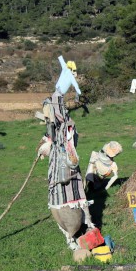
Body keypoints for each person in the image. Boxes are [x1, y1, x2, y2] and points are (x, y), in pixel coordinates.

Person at [40, 56, 95, 250]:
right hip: (60, 156)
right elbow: (51, 128)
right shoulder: (54, 103)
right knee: (60, 189)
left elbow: (60, 129)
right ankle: (70, 232)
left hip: (68, 155)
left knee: (74, 187)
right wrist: (47, 144)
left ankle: (85, 226)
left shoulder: (58, 103)